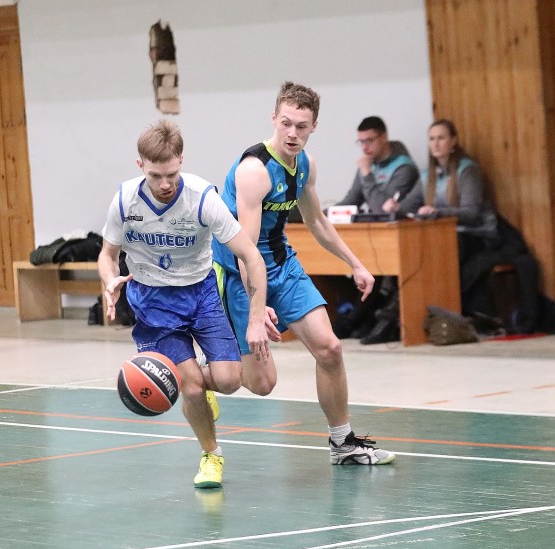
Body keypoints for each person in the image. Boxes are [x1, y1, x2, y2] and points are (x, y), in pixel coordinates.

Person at [211, 81, 395, 466]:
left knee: (330, 348)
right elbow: (246, 252)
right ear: (273, 119)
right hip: (240, 272)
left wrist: (355, 264)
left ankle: (342, 443)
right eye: (286, 123)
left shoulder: (305, 165)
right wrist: (257, 312)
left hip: (282, 264)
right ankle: (198, 375)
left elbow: (317, 222)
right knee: (261, 384)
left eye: (301, 126)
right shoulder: (254, 171)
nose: (292, 133)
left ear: (314, 127)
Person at [98, 120, 276, 488]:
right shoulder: (125, 201)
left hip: (201, 294)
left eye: (172, 174)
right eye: (155, 175)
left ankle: (197, 383)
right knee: (192, 387)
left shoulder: (203, 198)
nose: (165, 184)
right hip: (153, 302)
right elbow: (108, 254)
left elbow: (252, 257)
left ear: (181, 160)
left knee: (229, 380)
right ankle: (212, 454)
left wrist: (256, 318)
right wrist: (109, 280)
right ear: (140, 166)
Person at [386, 119, 501, 319]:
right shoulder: (427, 175)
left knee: (438, 250)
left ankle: (418, 307)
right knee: (414, 248)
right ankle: (401, 305)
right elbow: (408, 205)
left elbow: (472, 214)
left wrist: (438, 213)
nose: (436, 144)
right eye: (432, 139)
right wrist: (396, 208)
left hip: (476, 236)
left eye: (441, 138)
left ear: (453, 141)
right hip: (446, 236)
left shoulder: (467, 170)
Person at [333, 116, 421, 344]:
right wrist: (322, 214)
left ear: (384, 137)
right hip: (373, 237)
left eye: (369, 140)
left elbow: (383, 208)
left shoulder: (404, 168)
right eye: (361, 142)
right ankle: (356, 319)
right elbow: (351, 200)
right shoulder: (368, 164)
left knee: (374, 269)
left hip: (399, 238)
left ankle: (358, 320)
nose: (365, 147)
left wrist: (366, 174)